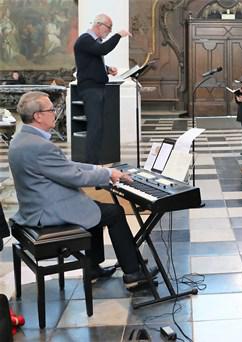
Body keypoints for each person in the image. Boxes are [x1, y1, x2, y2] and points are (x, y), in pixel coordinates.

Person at [8, 91, 155, 288]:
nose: (55, 113)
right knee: (114, 212)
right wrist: (108, 175)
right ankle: (133, 274)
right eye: (51, 109)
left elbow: (65, 166)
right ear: (38, 116)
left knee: (93, 207)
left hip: (36, 206)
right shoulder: (39, 146)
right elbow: (75, 177)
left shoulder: (21, 139)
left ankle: (93, 268)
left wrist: (102, 169)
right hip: (45, 212)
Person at [74, 14, 130, 164]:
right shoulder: (85, 39)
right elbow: (103, 50)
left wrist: (106, 69)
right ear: (99, 25)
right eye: (109, 28)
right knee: (94, 127)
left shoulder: (91, 42)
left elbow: (88, 63)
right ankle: (91, 165)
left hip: (96, 87)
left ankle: (95, 162)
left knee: (97, 127)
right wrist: (118, 35)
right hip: (91, 89)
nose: (110, 31)